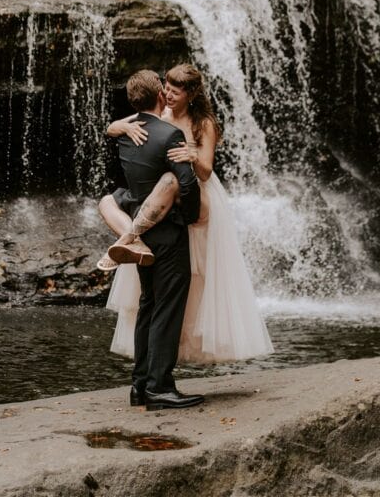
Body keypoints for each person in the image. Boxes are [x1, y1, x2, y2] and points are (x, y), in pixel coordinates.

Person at [101, 63, 274, 366]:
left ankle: (179, 351)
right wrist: (124, 126)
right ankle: (159, 359)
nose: (167, 95)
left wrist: (193, 155)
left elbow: (206, 170)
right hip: (162, 199)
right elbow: (111, 128)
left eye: (175, 91)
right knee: (160, 286)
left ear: (191, 94)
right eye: (165, 88)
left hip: (196, 196)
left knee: (197, 277)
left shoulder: (202, 122)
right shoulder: (159, 116)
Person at [108, 69, 204, 410]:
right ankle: (160, 387)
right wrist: (189, 217)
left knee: (149, 305)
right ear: (161, 97)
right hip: (167, 232)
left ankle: (139, 386)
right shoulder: (169, 135)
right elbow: (187, 183)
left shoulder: (125, 134)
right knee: (167, 308)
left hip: (141, 233)